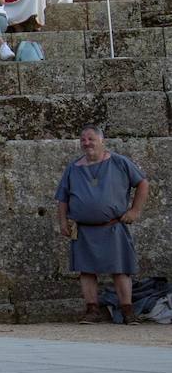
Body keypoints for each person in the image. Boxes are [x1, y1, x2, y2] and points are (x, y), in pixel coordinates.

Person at [55, 126, 150, 325]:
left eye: (91, 139)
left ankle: (127, 310)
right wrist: (63, 221)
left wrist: (134, 211)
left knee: (120, 269)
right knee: (86, 270)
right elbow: (62, 197)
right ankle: (92, 310)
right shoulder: (73, 168)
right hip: (84, 229)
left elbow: (142, 183)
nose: (86, 143)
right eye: (83, 140)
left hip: (113, 226)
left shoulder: (119, 162)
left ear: (101, 141)